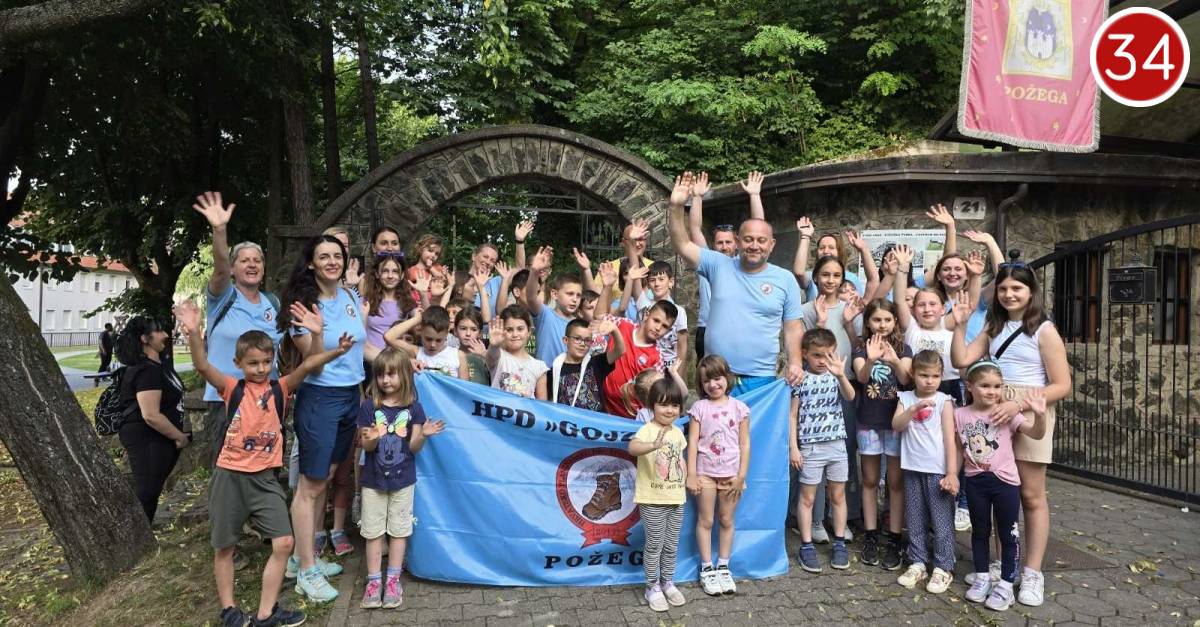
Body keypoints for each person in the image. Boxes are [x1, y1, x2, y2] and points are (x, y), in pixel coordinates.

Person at [176, 300, 353, 627]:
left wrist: (337, 350)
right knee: (225, 547)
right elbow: (202, 366)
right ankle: (229, 609)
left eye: (265, 362)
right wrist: (193, 333)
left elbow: (308, 365)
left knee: (284, 542)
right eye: (253, 363)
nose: (260, 369)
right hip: (230, 476)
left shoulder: (280, 388)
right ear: (238, 363)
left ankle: (266, 613)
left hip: (265, 480)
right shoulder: (233, 388)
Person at [950, 260, 1071, 607]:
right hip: (994, 411)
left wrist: (1019, 404)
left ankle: (1032, 572)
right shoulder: (994, 325)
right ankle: (1006, 566)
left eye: (1016, 288)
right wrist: (960, 325)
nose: (1008, 294)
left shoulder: (1044, 330)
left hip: (1027, 408)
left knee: (1031, 495)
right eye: (1003, 288)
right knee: (1001, 490)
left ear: (1031, 292)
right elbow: (961, 360)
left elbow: (1062, 384)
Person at [277, 234, 367, 603]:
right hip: (320, 399)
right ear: (311, 263)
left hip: (350, 396)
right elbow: (311, 364)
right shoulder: (303, 305)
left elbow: (361, 348)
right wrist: (317, 334)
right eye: (324, 256)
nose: (332, 261)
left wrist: (405, 358)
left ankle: (300, 558)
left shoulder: (349, 296)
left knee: (326, 477)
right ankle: (306, 572)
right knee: (310, 485)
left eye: (337, 256)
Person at [665, 172, 804, 393]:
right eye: (748, 239)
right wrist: (676, 207)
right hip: (716, 377)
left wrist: (795, 362)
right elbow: (682, 244)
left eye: (761, 240)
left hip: (760, 379)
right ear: (738, 242)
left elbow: (793, 328)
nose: (754, 245)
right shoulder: (717, 264)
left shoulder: (785, 279)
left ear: (772, 244)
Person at [192, 192, 283, 454]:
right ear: (233, 269)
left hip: (265, 400)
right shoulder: (222, 297)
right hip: (226, 400)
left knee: (265, 465)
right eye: (244, 260)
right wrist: (219, 230)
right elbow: (220, 268)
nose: (252, 265)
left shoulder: (273, 303)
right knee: (227, 468)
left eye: (257, 260)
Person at [955, 361, 1049, 612]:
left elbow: (1035, 434)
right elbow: (956, 448)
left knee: (1009, 534)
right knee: (979, 531)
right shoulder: (959, 414)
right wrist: (952, 475)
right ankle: (982, 577)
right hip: (975, 482)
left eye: (997, 386)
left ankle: (1007, 584)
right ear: (970, 387)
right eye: (985, 386)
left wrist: (1040, 416)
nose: (992, 391)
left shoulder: (1006, 414)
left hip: (1005, 483)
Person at [357, 349, 445, 610]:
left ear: (405, 375)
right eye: (381, 374)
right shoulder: (368, 407)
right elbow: (366, 447)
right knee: (373, 532)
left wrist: (424, 434)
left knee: (399, 530)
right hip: (373, 481)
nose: (385, 380)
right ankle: (374, 582)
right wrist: (371, 439)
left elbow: (414, 447)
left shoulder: (414, 408)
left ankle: (393, 580)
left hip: (404, 480)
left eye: (391, 374)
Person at [799, 255, 863, 543]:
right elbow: (803, 349)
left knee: (843, 453)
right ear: (816, 277)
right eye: (825, 274)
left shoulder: (850, 307)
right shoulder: (806, 310)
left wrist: (848, 322)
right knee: (814, 458)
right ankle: (815, 520)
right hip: (814, 389)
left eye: (836, 275)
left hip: (843, 383)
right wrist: (820, 321)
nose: (830, 280)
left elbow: (857, 344)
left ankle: (840, 519)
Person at [851, 299, 912, 572]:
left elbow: (906, 379)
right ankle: (871, 534)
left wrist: (894, 359)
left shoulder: (904, 347)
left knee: (895, 482)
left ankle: (895, 538)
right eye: (877, 320)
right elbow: (862, 378)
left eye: (887, 319)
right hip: (869, 421)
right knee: (870, 480)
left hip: (895, 422)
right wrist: (871, 358)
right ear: (868, 322)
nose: (882, 325)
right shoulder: (860, 347)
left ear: (895, 321)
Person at [788, 329, 855, 574]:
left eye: (827, 355)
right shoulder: (800, 380)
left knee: (838, 496)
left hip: (837, 445)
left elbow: (850, 396)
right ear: (805, 354)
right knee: (807, 498)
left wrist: (841, 375)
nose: (822, 360)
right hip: (811, 447)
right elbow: (792, 415)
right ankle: (806, 545)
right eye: (817, 355)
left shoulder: (835, 376)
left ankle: (839, 542)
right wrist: (793, 448)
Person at [892, 350, 958, 594]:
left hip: (937, 471)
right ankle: (917, 562)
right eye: (924, 375)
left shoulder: (944, 401)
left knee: (941, 521)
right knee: (915, 518)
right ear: (913, 374)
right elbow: (896, 425)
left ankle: (944, 567)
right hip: (912, 468)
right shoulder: (905, 398)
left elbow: (950, 439)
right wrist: (912, 409)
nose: (929, 381)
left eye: (935, 376)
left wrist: (951, 473)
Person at [115, 316, 190, 522]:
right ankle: (136, 535)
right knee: (147, 493)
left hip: (160, 439)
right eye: (159, 331)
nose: (165, 335)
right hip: (147, 438)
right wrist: (179, 437)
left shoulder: (159, 365)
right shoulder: (146, 371)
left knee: (151, 491)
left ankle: (142, 533)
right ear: (144, 338)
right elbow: (150, 415)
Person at [687, 354, 750, 596]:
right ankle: (707, 568)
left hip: (732, 476)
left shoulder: (739, 408)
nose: (713, 385)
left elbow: (745, 444)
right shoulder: (699, 408)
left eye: (717, 378)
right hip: (705, 475)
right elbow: (693, 442)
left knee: (726, 519)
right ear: (701, 384)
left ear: (727, 378)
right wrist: (691, 475)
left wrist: (741, 475)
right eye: (706, 381)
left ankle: (723, 566)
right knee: (706, 521)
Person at [686, 171, 764, 360]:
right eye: (720, 243)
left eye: (728, 242)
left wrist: (754, 195)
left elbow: (759, 228)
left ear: (736, 244)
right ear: (714, 246)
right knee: (706, 377)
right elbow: (695, 229)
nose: (724, 247)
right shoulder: (708, 263)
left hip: (737, 328)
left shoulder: (744, 264)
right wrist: (697, 198)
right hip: (707, 328)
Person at [628, 378, 688, 612]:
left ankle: (668, 582)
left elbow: (680, 459)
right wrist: (653, 445)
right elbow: (632, 448)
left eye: (674, 405)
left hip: (676, 499)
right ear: (652, 405)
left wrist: (686, 479)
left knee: (671, 545)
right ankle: (651, 586)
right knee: (654, 545)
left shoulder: (678, 432)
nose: (669, 410)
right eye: (663, 404)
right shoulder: (647, 429)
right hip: (652, 499)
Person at [601, 301, 676, 417]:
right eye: (656, 320)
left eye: (665, 326)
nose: (658, 328)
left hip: (627, 417)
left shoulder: (657, 359)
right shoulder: (623, 324)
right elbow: (599, 317)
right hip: (600, 405)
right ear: (646, 315)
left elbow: (652, 396)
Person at [621, 260, 689, 369]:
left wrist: (679, 374)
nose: (657, 284)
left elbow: (682, 345)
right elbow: (633, 259)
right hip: (645, 365)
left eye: (661, 279)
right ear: (648, 284)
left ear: (671, 282)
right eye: (652, 280)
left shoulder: (679, 311)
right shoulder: (644, 304)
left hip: (669, 369)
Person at [548, 318, 624, 411]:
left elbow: (620, 350)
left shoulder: (597, 363)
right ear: (565, 340)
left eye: (587, 340)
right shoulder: (555, 370)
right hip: (568, 419)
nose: (582, 344)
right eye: (577, 339)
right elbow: (551, 401)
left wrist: (614, 330)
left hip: (596, 419)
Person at [525, 246, 584, 365]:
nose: (574, 299)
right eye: (570, 294)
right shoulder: (545, 314)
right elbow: (531, 297)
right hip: (545, 374)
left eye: (578, 295)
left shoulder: (579, 324)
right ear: (555, 294)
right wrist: (534, 271)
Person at [486, 305, 549, 400]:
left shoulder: (539, 367)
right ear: (502, 332)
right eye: (509, 330)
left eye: (520, 329)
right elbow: (492, 355)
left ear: (529, 331)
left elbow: (542, 405)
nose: (515, 334)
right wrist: (494, 345)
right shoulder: (499, 356)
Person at [412, 306, 468, 379]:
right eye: (428, 339)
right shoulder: (415, 352)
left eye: (438, 340)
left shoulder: (458, 355)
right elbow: (394, 339)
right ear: (421, 331)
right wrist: (415, 320)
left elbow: (464, 385)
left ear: (447, 333)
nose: (433, 345)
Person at [453, 307, 491, 385]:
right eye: (463, 328)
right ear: (455, 331)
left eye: (473, 329)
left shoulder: (488, 356)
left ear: (480, 333)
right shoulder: (451, 355)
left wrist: (485, 355)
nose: (468, 334)